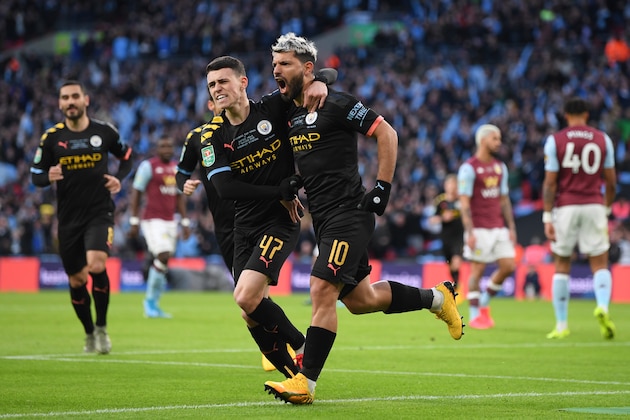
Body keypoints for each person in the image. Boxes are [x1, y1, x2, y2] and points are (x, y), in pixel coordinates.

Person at [263, 32, 463, 405]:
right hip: (323, 218)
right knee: (360, 300)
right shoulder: (289, 111)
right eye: (274, 64)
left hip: (350, 214)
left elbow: (387, 132)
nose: (276, 70)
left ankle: (306, 383)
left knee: (321, 289)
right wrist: (295, 179)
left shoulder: (338, 103)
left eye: (284, 63)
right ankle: (438, 298)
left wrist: (382, 187)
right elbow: (315, 159)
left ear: (306, 68)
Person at [184, 55, 335, 379]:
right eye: (211, 85)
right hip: (244, 226)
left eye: (223, 81)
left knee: (246, 295)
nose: (217, 89)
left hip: (279, 221)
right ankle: (295, 380)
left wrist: (321, 80)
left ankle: (302, 344)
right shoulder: (211, 136)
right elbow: (224, 188)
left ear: (242, 82)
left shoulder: (271, 108)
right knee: (249, 312)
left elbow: (313, 77)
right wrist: (279, 190)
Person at [30, 80, 133, 354]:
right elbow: (35, 174)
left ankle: (101, 328)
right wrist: (46, 177)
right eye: (65, 97)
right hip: (68, 220)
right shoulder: (51, 137)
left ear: (85, 100)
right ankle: (88, 332)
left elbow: (128, 156)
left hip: (99, 212)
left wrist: (119, 179)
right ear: (60, 103)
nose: (70, 101)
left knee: (97, 265)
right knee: (76, 281)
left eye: (75, 96)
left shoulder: (104, 132)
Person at [542, 97, 617, 339]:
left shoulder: (555, 141)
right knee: (599, 262)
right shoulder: (602, 139)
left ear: (565, 115)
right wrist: (605, 208)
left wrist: (546, 215)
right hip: (594, 204)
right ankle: (603, 307)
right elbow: (611, 181)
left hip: (566, 207)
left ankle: (562, 325)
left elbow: (550, 183)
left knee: (562, 264)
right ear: (586, 114)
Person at [457, 124, 517, 330]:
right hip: (479, 228)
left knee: (509, 265)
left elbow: (504, 199)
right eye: (495, 139)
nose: (499, 143)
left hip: (499, 227)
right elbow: (464, 203)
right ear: (483, 140)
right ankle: (475, 316)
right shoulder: (469, 168)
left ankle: (483, 303)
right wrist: (470, 231)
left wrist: (511, 227)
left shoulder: (501, 167)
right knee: (477, 270)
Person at [129, 136, 190, 318]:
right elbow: (137, 192)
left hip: (171, 221)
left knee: (163, 260)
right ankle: (149, 301)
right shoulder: (148, 166)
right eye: (162, 146)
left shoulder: (176, 168)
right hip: (152, 220)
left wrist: (185, 222)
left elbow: (179, 197)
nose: (166, 149)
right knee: (162, 255)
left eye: (169, 146)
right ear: (157, 148)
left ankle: (153, 303)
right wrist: (134, 220)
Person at [176, 99, 235, 274]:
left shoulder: (250, 130)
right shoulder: (196, 137)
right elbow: (181, 173)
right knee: (244, 287)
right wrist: (183, 184)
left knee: (252, 286)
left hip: (255, 215)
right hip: (223, 222)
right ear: (210, 105)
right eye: (219, 99)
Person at [430, 173, 464, 292]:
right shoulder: (440, 201)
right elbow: (432, 220)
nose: (452, 187)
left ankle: (457, 286)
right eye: (449, 184)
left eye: (454, 184)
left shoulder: (462, 200)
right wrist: (443, 217)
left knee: (456, 262)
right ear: (446, 186)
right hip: (445, 238)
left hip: (459, 237)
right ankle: (455, 285)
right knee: (450, 265)